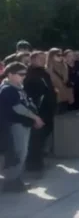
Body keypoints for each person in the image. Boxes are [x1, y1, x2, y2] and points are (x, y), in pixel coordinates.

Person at [0, 62, 44, 193]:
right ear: (10, 74)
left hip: (23, 124)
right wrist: (35, 118)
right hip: (15, 125)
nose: (24, 76)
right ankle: (11, 182)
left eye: (25, 74)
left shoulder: (17, 87)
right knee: (18, 153)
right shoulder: (7, 89)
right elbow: (18, 108)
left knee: (22, 152)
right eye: (21, 74)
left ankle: (16, 180)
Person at [23, 51, 57, 176]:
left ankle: (39, 160)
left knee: (44, 136)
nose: (43, 60)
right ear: (33, 60)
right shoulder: (29, 74)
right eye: (40, 58)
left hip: (48, 109)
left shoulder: (44, 73)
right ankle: (33, 164)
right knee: (36, 139)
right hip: (38, 111)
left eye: (44, 58)